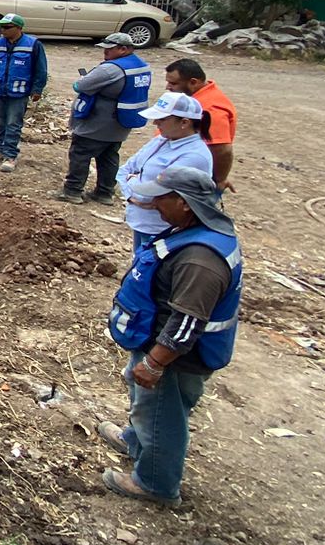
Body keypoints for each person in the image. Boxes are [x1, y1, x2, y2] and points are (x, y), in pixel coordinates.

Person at [99, 167, 242, 506]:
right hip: (156, 339)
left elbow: (187, 322)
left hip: (177, 359)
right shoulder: (191, 232)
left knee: (161, 413)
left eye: (162, 198)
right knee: (147, 404)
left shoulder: (201, 261)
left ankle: (155, 483)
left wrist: (154, 363)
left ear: (185, 204)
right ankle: (137, 441)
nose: (154, 203)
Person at [55, 33, 153, 205]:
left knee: (80, 153)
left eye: (109, 49)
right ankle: (105, 192)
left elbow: (82, 85)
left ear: (123, 49)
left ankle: (72, 190)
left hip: (100, 121)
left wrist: (80, 83)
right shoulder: (141, 66)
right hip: (121, 121)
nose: (105, 52)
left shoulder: (111, 69)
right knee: (109, 156)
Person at [118, 94, 214, 254]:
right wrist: (132, 196)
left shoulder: (195, 156)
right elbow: (124, 171)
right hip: (143, 222)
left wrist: (134, 185)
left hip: (165, 230)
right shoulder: (161, 140)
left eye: (161, 119)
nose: (155, 123)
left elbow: (156, 195)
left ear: (184, 122)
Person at [0, 14, 48, 173]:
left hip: (19, 92)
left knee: (13, 123)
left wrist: (37, 89)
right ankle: (0, 151)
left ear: (19, 28)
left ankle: (10, 155)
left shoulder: (33, 45)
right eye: (2, 27)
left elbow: (41, 69)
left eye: (7, 27)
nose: (3, 30)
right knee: (1, 122)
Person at [163, 58, 238, 190]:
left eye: (173, 83)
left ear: (193, 82)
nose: (168, 87)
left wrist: (218, 180)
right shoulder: (196, 99)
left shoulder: (210, 109)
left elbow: (222, 150)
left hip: (190, 179)